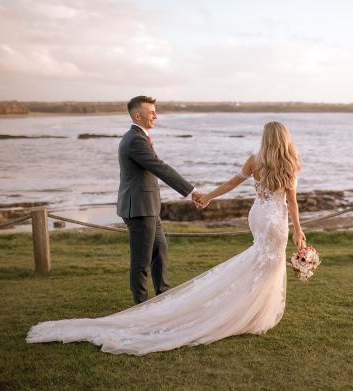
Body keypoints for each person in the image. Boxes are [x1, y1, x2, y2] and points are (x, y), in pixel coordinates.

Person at [26, 121, 305, 356]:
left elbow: (233, 183)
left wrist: (208, 195)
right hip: (275, 220)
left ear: (266, 139)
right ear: (284, 139)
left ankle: (250, 310)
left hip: (258, 216)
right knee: (268, 264)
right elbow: (292, 203)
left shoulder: (255, 160)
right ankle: (252, 314)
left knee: (259, 261)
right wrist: (299, 230)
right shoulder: (289, 163)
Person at [116, 96, 203, 304]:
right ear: (138, 115)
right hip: (139, 209)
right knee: (141, 261)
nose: (156, 115)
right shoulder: (135, 139)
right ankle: (142, 306)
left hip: (148, 208)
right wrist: (192, 191)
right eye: (151, 112)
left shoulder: (138, 136)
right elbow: (160, 167)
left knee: (160, 251)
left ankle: (163, 298)